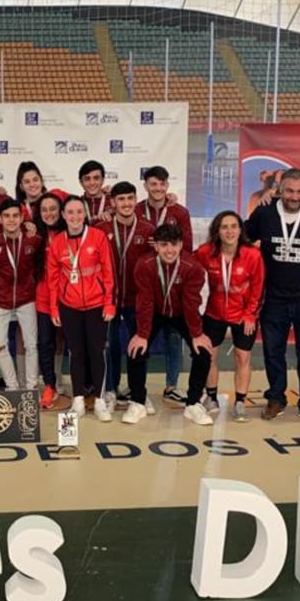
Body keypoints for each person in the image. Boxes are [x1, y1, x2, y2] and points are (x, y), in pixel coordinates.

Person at [244, 168, 300, 424]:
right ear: (279, 190)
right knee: (273, 351)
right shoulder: (264, 212)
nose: (295, 197)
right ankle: (276, 398)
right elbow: (244, 241)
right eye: (290, 191)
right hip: (273, 297)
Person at [123, 224, 214, 425]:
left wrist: (197, 334)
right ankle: (137, 402)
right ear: (155, 246)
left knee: (203, 353)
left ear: (181, 245)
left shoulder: (193, 267)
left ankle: (193, 404)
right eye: (163, 245)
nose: (169, 250)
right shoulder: (144, 265)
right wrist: (143, 334)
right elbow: (145, 300)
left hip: (182, 313)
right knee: (136, 349)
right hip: (155, 312)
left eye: (174, 244)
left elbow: (192, 303)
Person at [48, 196, 116, 419]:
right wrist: (54, 308)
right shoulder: (57, 241)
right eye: (70, 212)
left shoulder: (97, 237)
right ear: (64, 215)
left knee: (97, 352)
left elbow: (108, 271)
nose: (75, 217)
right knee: (75, 353)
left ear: (84, 214)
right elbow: (53, 278)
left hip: (97, 305)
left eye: (79, 212)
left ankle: (99, 400)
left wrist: (109, 302)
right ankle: (77, 399)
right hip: (69, 306)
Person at [194, 211, 264, 422]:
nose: (229, 231)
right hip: (214, 312)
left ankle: (240, 402)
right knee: (210, 356)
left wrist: (250, 314)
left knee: (242, 357)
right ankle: (212, 397)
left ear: (240, 230)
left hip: (243, 314)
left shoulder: (252, 254)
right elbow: (184, 261)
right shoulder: (206, 252)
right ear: (217, 231)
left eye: (234, 226)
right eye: (224, 227)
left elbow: (258, 287)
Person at [95, 181, 156, 411]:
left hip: (136, 299)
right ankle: (111, 390)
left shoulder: (148, 230)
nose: (127, 203)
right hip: (108, 298)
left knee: (137, 347)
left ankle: (137, 391)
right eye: (121, 199)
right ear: (113, 203)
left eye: (130, 198)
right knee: (109, 347)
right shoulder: (101, 229)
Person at [136, 165, 194, 405]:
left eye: (162, 184)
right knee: (142, 337)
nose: (158, 188)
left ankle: (172, 385)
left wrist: (166, 249)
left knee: (173, 337)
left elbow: (187, 246)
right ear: (146, 186)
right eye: (153, 184)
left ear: (167, 186)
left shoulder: (179, 211)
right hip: (148, 281)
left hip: (173, 284)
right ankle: (139, 390)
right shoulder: (137, 210)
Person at [0, 198, 41, 391]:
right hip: (0, 299)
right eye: (6, 216)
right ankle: (12, 386)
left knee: (31, 344)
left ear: (22, 217)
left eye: (15, 216)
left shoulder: (34, 239)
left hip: (27, 298)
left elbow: (39, 267)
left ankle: (31, 386)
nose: (11, 220)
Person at [32, 193, 66, 407]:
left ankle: (86, 388)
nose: (49, 213)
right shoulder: (34, 234)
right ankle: (49, 386)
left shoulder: (70, 232)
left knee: (77, 345)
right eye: (44, 210)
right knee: (45, 343)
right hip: (43, 297)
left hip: (69, 297)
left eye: (53, 208)